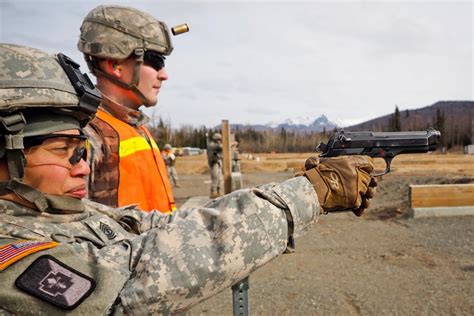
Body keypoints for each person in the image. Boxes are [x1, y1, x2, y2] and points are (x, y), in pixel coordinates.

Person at [0, 44, 377, 314]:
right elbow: (126, 288)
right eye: (64, 150)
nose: (83, 165)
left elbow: (159, 225)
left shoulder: (60, 213)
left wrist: (289, 191)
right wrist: (308, 194)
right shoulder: (10, 252)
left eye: (82, 150)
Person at [77, 5, 181, 212]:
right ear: (115, 65)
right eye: (155, 61)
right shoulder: (87, 133)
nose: (164, 75)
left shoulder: (135, 126)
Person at [207, 133, 224, 198]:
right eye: (219, 140)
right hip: (214, 163)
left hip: (218, 162)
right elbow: (220, 147)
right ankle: (213, 192)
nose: (220, 141)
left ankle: (219, 191)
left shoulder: (215, 145)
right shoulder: (211, 145)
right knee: (215, 178)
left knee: (220, 178)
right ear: (216, 139)